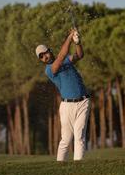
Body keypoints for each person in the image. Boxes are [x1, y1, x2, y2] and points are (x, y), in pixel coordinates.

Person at [35, 29, 91, 161]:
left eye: (45, 53)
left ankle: (78, 167)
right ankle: (59, 166)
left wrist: (77, 42)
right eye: (41, 57)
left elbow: (79, 55)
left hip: (83, 102)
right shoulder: (50, 70)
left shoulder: (66, 60)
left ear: (49, 50)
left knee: (79, 136)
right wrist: (69, 37)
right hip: (66, 107)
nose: (45, 57)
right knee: (66, 139)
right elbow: (61, 56)